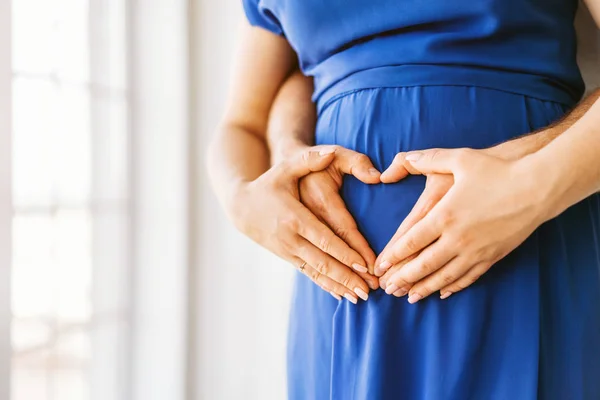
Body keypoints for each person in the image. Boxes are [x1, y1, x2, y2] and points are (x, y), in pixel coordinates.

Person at [207, 1, 600, 398]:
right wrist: (241, 201)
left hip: (526, 251)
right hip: (340, 295)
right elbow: (243, 123)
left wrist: (530, 188)